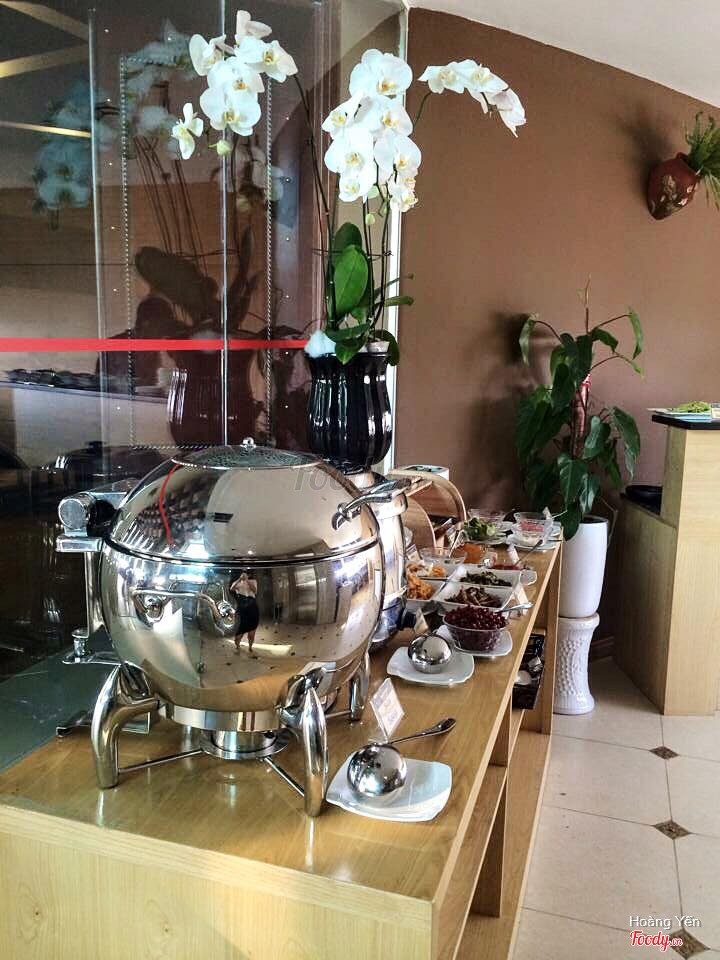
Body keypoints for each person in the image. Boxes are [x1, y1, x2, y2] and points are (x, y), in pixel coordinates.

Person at [230, 572, 259, 657]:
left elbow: (255, 591)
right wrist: (240, 579)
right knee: (238, 633)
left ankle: (250, 647)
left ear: (249, 574)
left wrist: (247, 580)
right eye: (242, 573)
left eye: (246, 573)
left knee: (251, 633)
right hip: (241, 608)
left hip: (252, 607)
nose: (244, 574)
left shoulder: (253, 581)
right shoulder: (237, 582)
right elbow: (232, 588)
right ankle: (237, 646)